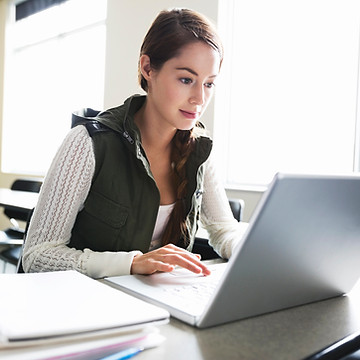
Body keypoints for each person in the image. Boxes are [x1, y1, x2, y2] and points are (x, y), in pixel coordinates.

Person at [22, 8, 247, 279]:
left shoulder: (198, 150)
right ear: (147, 68)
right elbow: (37, 255)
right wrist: (131, 263)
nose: (199, 98)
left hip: (162, 304)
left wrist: (254, 253)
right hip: (87, 307)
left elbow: (224, 230)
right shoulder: (88, 143)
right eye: (186, 79)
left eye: (209, 84)